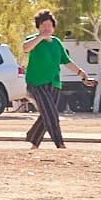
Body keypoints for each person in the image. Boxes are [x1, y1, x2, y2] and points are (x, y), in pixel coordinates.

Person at [24, 11, 83, 150]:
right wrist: (40, 37)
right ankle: (60, 144)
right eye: (43, 26)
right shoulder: (33, 40)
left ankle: (33, 140)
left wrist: (81, 73)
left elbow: (66, 61)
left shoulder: (56, 43)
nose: (47, 28)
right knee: (51, 114)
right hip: (37, 83)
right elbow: (25, 48)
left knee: (47, 113)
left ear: (54, 28)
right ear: (38, 27)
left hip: (54, 83)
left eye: (49, 26)